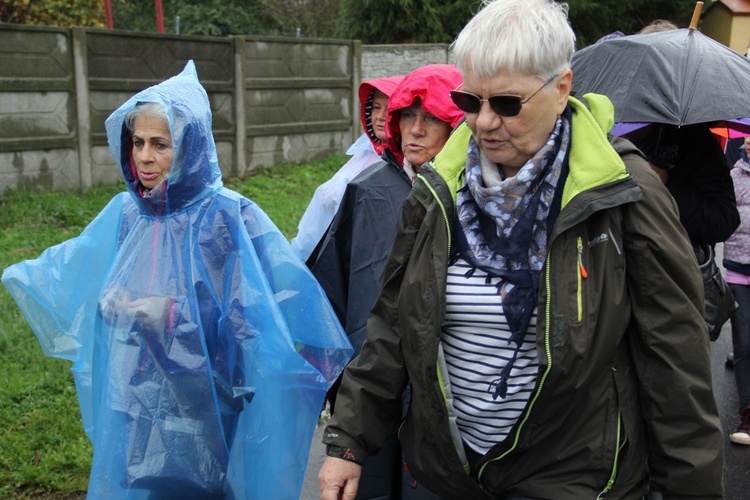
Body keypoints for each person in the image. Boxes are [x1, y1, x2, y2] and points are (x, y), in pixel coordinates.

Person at [318, 1, 723, 499]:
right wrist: (348, 442)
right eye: (470, 100)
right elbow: (394, 325)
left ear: (561, 88)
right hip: (453, 476)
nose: (484, 122)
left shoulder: (623, 191)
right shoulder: (440, 186)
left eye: (507, 103)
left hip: (577, 479)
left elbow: (675, 363)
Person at [2, 61, 353, 499]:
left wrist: (169, 315)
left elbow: (255, 323)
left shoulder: (227, 216)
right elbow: (79, 263)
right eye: (138, 142)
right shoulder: (131, 212)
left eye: (161, 144)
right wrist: (93, 297)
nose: (145, 157)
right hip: (134, 391)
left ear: (190, 147)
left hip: (203, 402)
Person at [312, 64, 463, 500]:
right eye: (405, 116)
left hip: (443, 394)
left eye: (431, 118)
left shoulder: (475, 201)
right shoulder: (368, 189)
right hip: (373, 384)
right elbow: (330, 291)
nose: (414, 130)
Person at [291, 75, 404, 264]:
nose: (380, 116)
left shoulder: (403, 166)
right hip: (314, 256)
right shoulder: (364, 152)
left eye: (390, 108)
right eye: (376, 107)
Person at [724, 135, 750, 445]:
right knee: (744, 344)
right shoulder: (732, 175)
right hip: (738, 271)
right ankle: (747, 413)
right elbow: (723, 218)